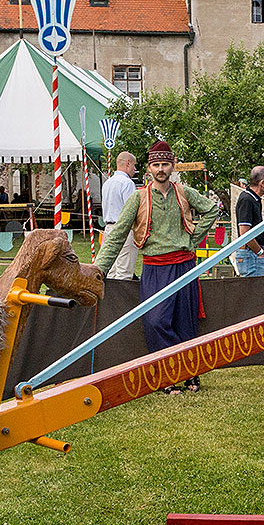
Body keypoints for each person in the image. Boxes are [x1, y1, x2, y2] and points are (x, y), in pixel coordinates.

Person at [94, 140, 220, 394]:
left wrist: (192, 240)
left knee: (185, 323)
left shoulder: (184, 192)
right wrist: (99, 269)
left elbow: (211, 209)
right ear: (149, 168)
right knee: (156, 321)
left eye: (165, 164)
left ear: (172, 165)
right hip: (154, 267)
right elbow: (117, 234)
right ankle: (167, 374)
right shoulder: (138, 197)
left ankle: (190, 374)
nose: (160, 168)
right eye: (155, 164)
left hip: (184, 266)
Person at [100, 152, 141, 281]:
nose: (135, 170)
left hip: (108, 228)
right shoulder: (127, 183)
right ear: (128, 163)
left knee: (111, 271)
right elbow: (132, 209)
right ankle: (122, 300)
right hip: (124, 229)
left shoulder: (107, 183)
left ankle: (111, 300)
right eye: (134, 166)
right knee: (124, 271)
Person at [232, 166, 264, 277]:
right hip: (251, 254)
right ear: (262, 182)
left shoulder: (255, 198)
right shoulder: (247, 199)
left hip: (252, 253)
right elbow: (245, 232)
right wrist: (259, 252)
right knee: (254, 291)